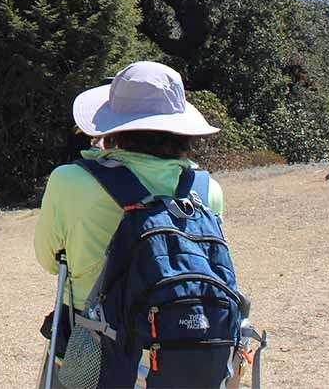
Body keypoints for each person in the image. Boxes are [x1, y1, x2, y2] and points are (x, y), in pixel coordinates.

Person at [34, 60, 224, 387]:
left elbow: (49, 260)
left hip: (97, 354)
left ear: (114, 125)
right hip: (183, 354)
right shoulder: (206, 190)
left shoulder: (70, 181)